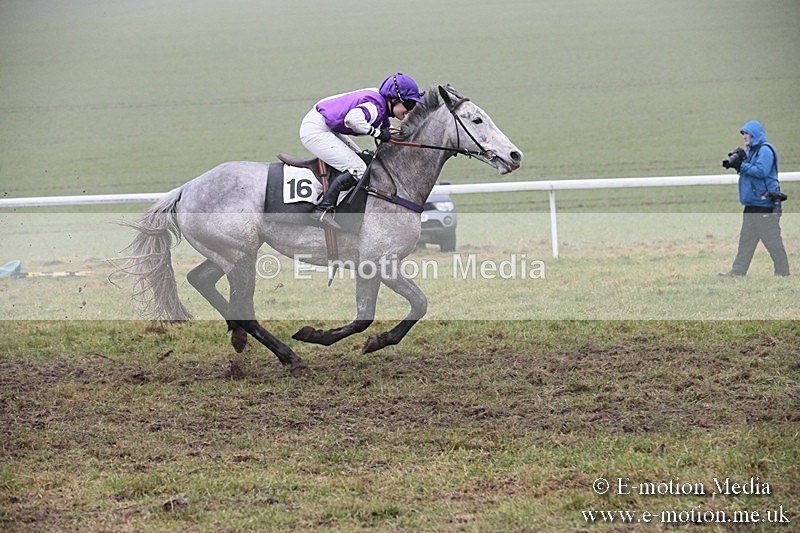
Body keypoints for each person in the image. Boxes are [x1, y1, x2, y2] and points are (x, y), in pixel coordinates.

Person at [299, 73, 426, 230]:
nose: (409, 111)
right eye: (409, 105)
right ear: (394, 99)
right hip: (315, 129)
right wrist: (378, 133)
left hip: (327, 126)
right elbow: (352, 120)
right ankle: (322, 210)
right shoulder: (375, 106)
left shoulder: (381, 105)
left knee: (360, 161)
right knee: (358, 169)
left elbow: (387, 130)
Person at [719, 120, 790, 277]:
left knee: (772, 242)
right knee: (746, 242)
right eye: (743, 133)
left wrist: (741, 166)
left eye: (747, 133)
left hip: (765, 204)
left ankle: (783, 272)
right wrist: (739, 164)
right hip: (752, 204)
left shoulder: (765, 150)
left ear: (755, 134)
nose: (744, 136)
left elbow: (761, 171)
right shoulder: (751, 151)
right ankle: (737, 272)